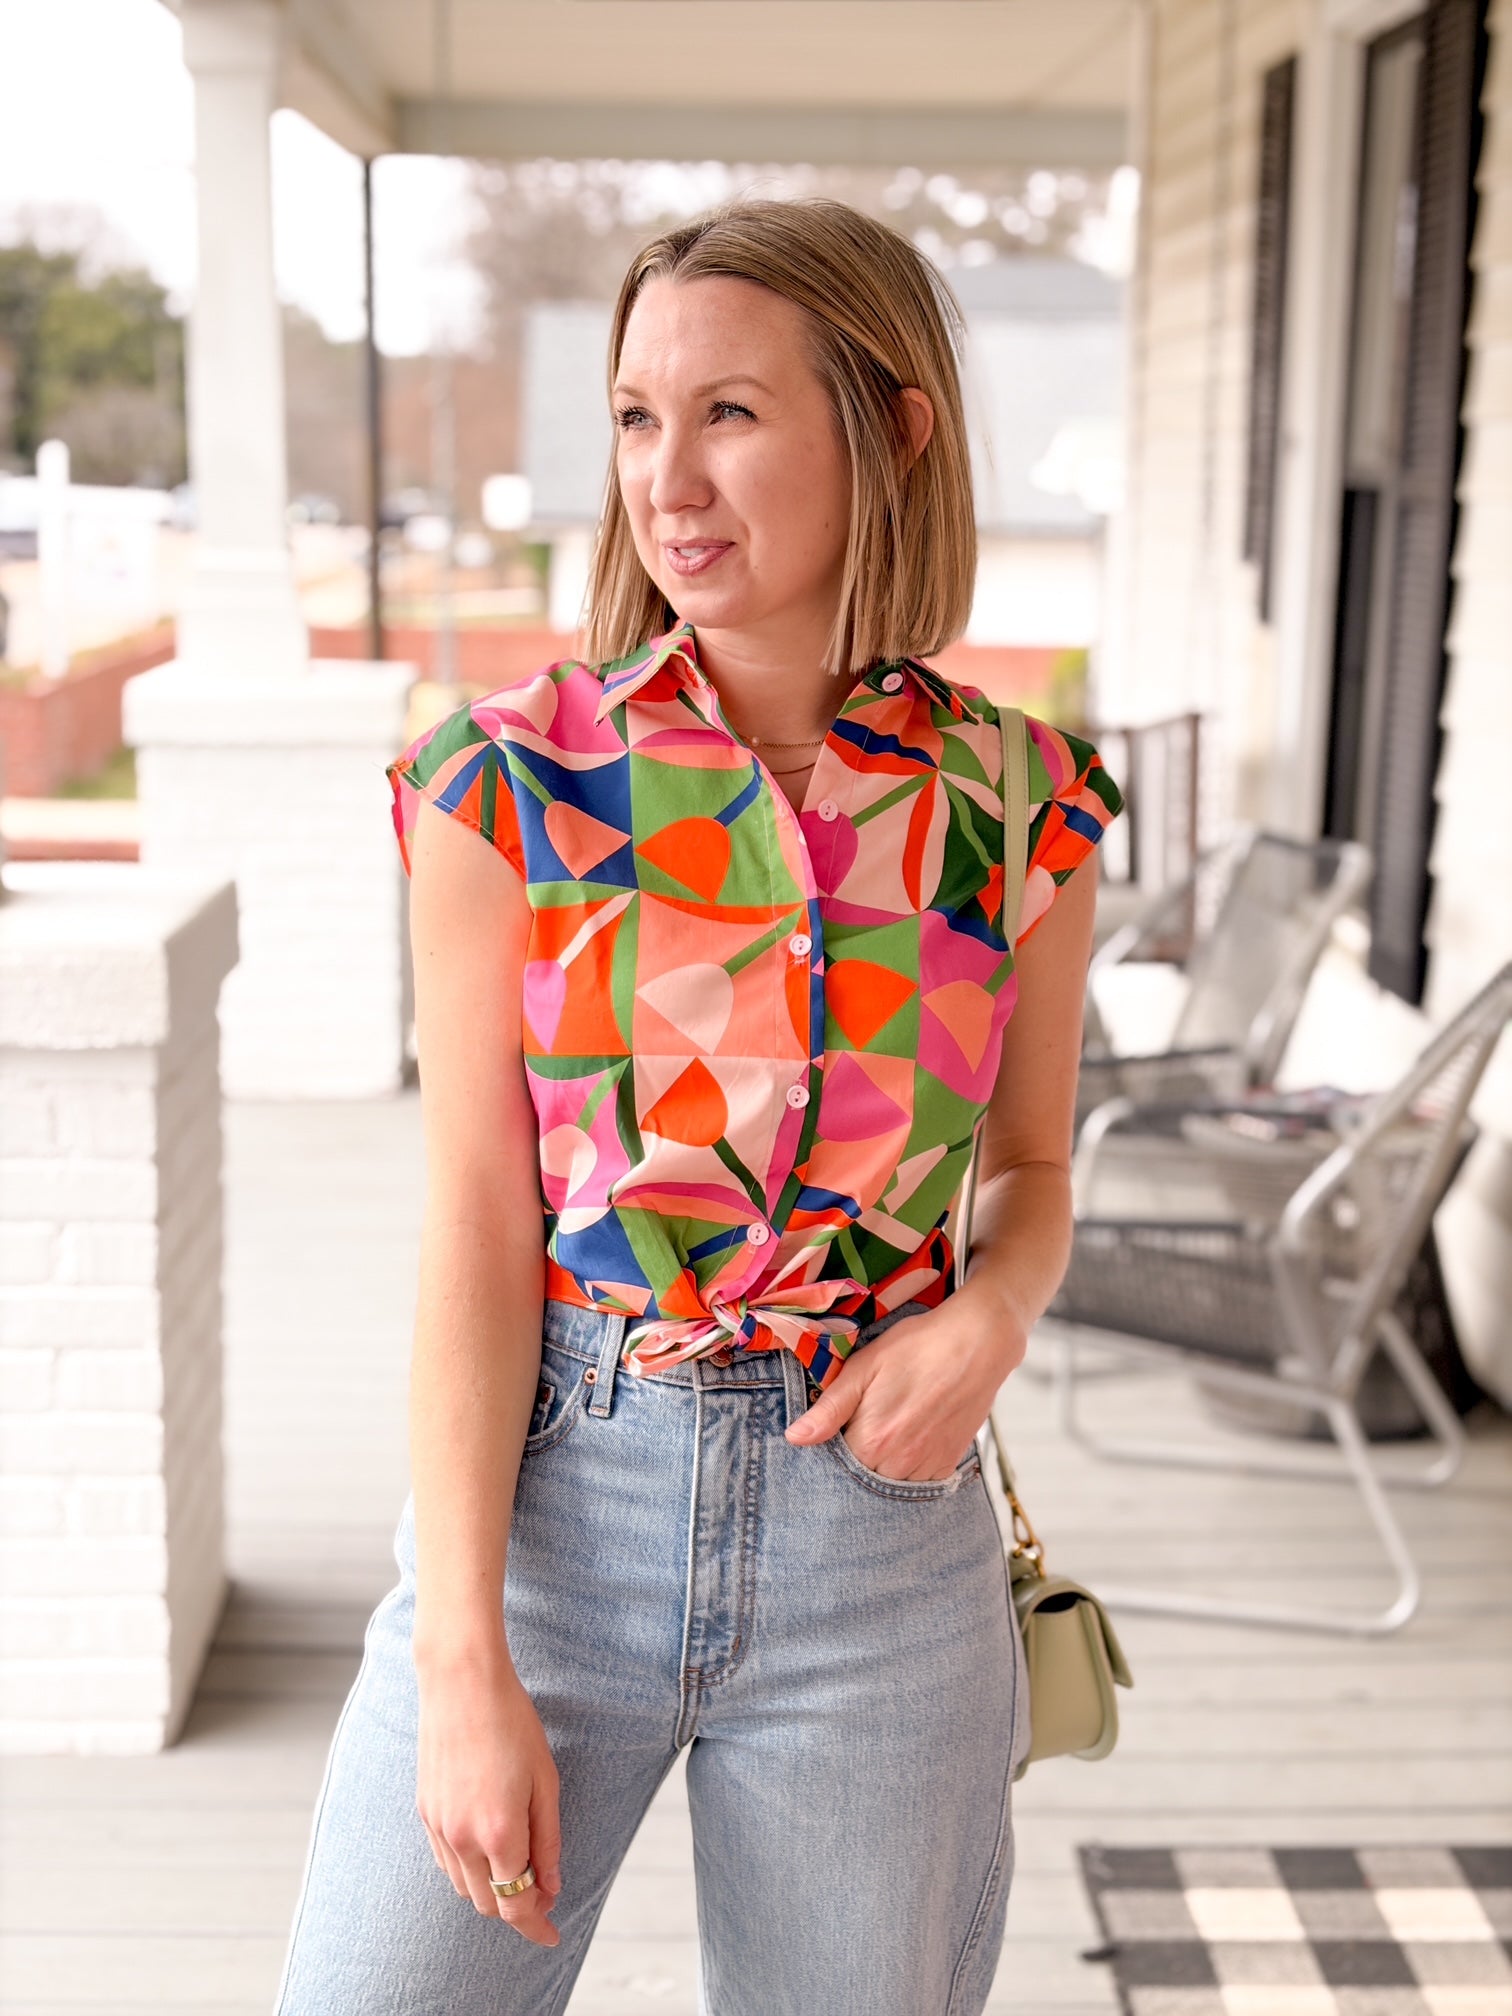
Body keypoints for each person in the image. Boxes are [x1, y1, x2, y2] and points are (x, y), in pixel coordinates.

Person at [271, 195, 1123, 2016]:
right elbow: (480, 1233)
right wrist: (465, 1661)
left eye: (730, 412)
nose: (670, 478)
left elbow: (1035, 1170)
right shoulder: (510, 784)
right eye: (639, 418)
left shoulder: (1021, 804)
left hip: (881, 1547)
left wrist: (998, 1308)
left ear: (891, 432)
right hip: (559, 1505)